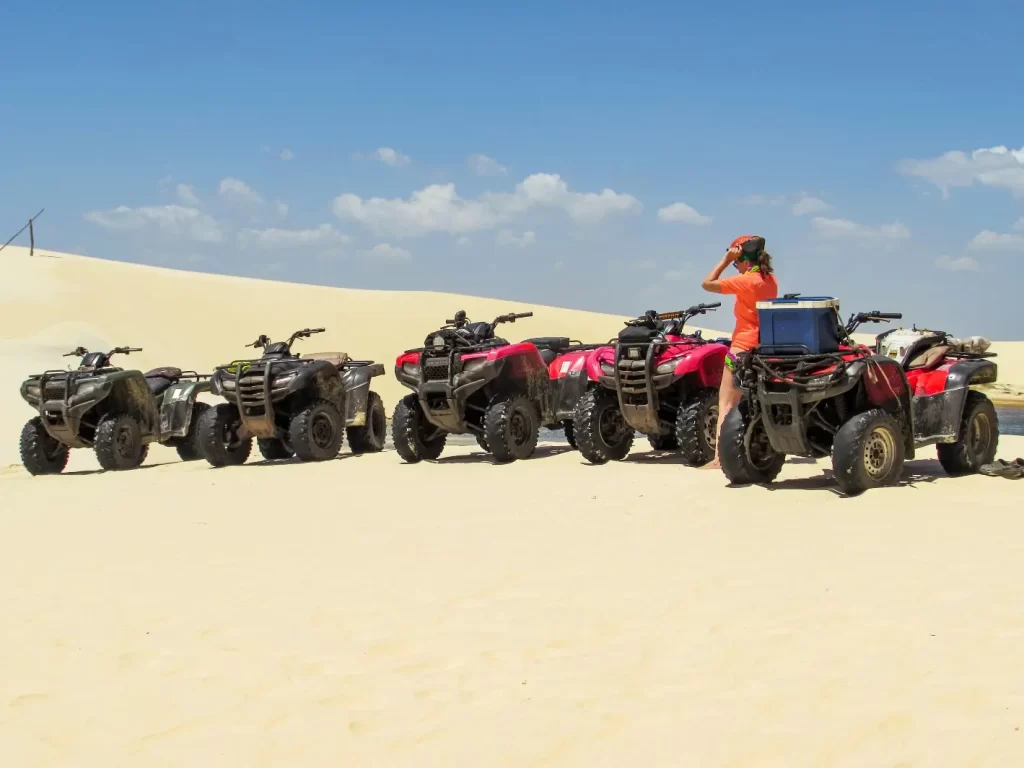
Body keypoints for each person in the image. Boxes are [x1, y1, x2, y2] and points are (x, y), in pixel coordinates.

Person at [700, 235, 778, 468]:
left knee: (726, 403)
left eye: (737, 262)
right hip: (762, 347)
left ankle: (719, 459)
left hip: (741, 348)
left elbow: (707, 283)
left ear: (743, 259)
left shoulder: (747, 281)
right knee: (750, 402)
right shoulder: (770, 280)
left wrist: (725, 260)